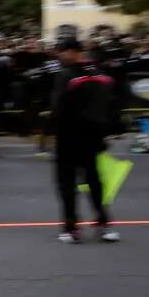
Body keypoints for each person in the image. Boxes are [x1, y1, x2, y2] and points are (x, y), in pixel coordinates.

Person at [51, 38, 121, 244]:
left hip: (69, 137)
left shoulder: (67, 76)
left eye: (61, 52)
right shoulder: (101, 75)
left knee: (67, 183)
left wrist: (52, 131)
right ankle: (104, 223)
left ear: (72, 52)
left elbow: (58, 108)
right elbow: (113, 104)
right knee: (94, 181)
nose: (59, 56)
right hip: (94, 136)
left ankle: (71, 227)